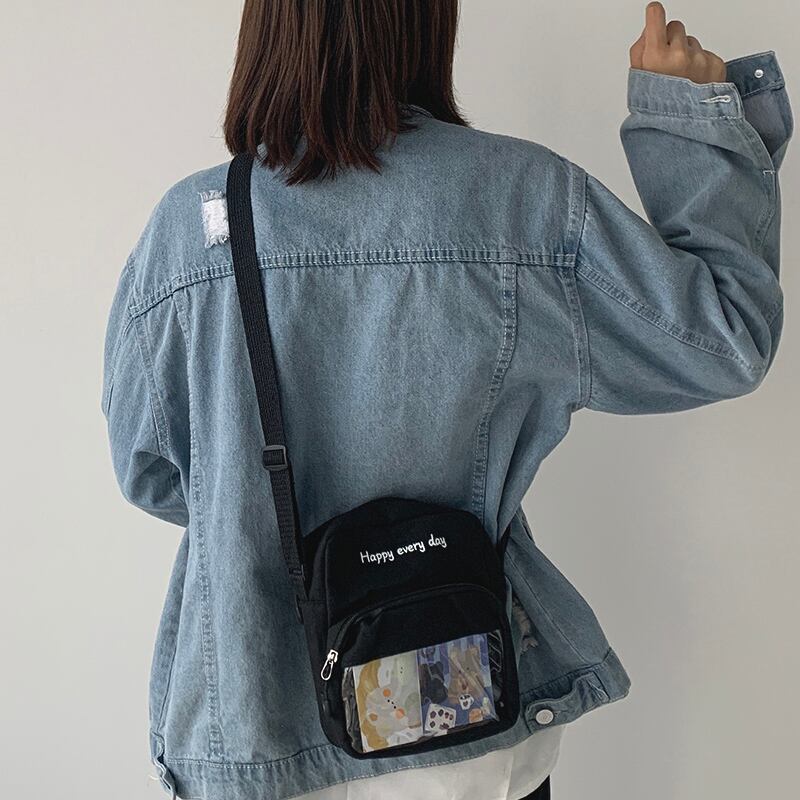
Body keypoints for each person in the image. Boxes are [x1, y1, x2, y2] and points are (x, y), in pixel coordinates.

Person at [101, 2, 791, 799]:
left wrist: (260, 512)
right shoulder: (520, 200)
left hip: (256, 735)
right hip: (461, 721)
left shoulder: (186, 234)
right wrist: (689, 117)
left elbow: (150, 474)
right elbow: (723, 339)